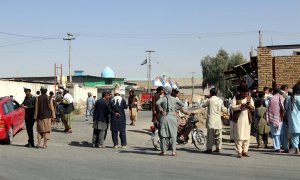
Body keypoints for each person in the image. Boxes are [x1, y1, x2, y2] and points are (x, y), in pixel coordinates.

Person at [156, 86, 185, 156]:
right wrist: (176, 109)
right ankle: (173, 151)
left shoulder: (163, 98)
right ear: (171, 91)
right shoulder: (174, 99)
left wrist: (161, 110)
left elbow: (157, 103)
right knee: (173, 135)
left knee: (163, 135)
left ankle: (164, 151)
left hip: (164, 117)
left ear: (165, 91)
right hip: (172, 117)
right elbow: (183, 104)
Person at [231, 83, 254, 158]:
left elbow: (253, 108)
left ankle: (245, 151)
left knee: (246, 136)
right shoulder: (236, 97)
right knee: (239, 136)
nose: (245, 94)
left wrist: (249, 106)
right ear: (240, 92)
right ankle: (239, 152)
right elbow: (232, 107)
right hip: (238, 120)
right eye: (243, 93)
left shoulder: (249, 98)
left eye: (246, 93)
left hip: (247, 119)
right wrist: (240, 106)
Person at [201, 88, 227, 153]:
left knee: (210, 135)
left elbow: (203, 105)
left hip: (211, 121)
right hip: (218, 120)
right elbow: (223, 109)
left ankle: (209, 149)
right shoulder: (220, 100)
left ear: (211, 93)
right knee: (218, 135)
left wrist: (207, 98)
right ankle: (218, 148)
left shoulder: (209, 100)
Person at [266, 86, 288, 153]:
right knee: (283, 133)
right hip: (281, 118)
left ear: (273, 91)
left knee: (275, 134)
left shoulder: (271, 98)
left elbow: (268, 109)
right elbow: (284, 107)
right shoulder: (282, 97)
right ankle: (285, 147)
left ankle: (277, 148)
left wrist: (268, 119)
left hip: (273, 119)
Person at [285, 83, 300, 154]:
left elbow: (286, 108)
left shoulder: (288, 98)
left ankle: (297, 149)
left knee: (294, 135)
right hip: (298, 118)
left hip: (292, 119)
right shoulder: (299, 98)